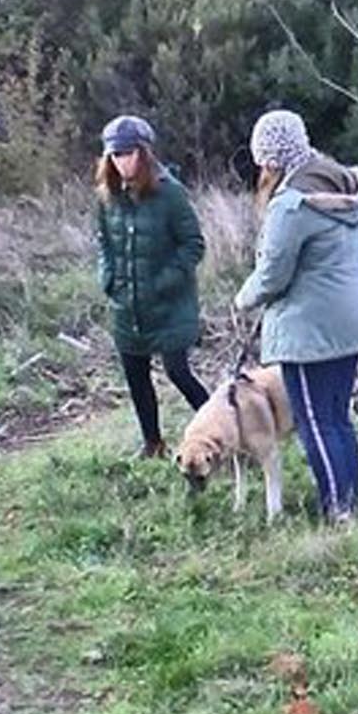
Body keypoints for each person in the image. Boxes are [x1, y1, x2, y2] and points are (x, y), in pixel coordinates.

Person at [235, 109, 358, 521]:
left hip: (311, 330)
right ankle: (351, 504)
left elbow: (272, 275)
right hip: (355, 320)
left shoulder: (291, 205)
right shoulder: (350, 183)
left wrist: (242, 299)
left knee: (313, 421)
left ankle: (338, 513)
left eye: (262, 161)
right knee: (337, 417)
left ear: (271, 160)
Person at [93, 114, 210, 459]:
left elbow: (193, 244)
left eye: (128, 153)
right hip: (126, 306)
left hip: (169, 305)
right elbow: (103, 242)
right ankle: (153, 444)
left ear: (143, 153)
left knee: (178, 373)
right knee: (136, 375)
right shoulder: (107, 195)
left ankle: (226, 431)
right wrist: (108, 278)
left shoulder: (170, 193)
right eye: (115, 155)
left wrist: (162, 282)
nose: (121, 161)